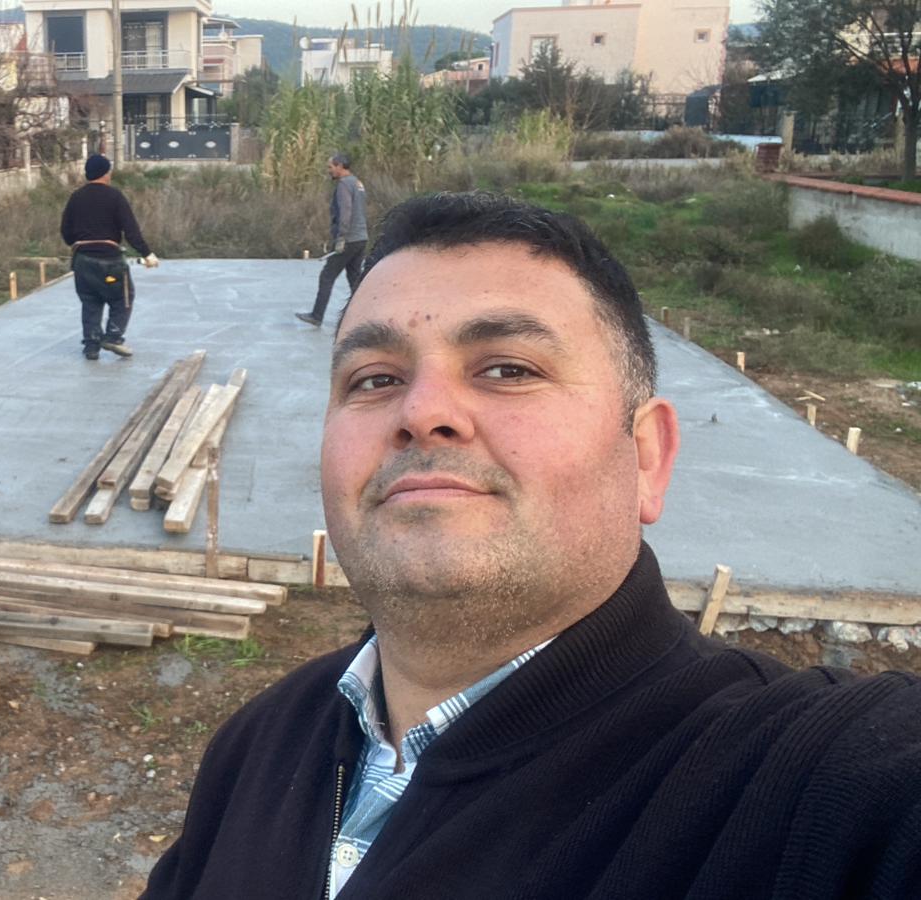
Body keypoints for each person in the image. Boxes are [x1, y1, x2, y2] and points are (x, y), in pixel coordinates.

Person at [144, 191, 921, 899]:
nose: (422, 412)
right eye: (374, 379)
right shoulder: (261, 744)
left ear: (647, 456)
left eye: (508, 369)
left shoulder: (801, 786)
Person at [60, 153, 159, 360]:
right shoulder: (115, 197)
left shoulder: (76, 197)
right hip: (109, 260)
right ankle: (113, 337)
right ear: (105, 173)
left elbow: (66, 231)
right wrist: (147, 253)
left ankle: (91, 346)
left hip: (82, 261)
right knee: (122, 297)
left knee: (90, 301)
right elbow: (131, 230)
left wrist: (79, 244)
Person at [296, 153, 368, 327]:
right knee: (354, 279)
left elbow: (346, 211)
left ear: (340, 166)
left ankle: (316, 316)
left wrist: (341, 237)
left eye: (331, 167)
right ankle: (366, 316)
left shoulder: (344, 185)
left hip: (348, 239)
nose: (329, 170)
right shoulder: (357, 183)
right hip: (361, 238)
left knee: (327, 276)